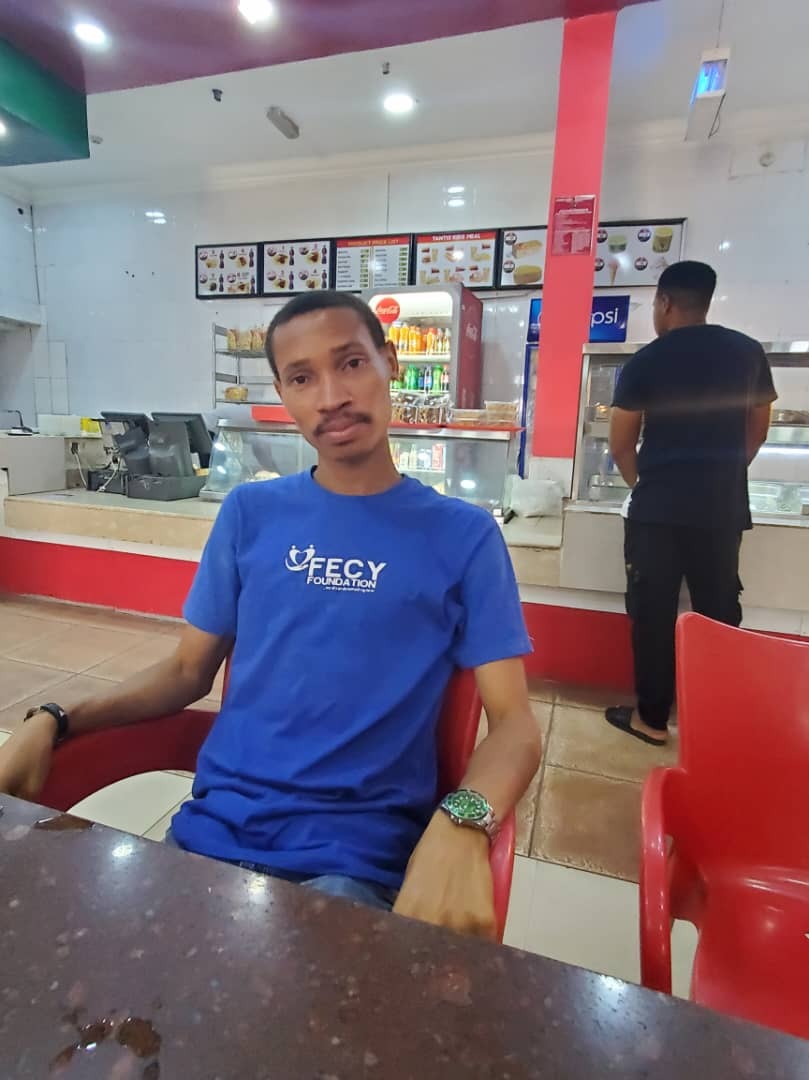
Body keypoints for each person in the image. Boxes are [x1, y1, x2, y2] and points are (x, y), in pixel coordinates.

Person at [0, 290, 541, 939]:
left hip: (351, 867)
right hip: (205, 841)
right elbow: (185, 672)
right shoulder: (250, 514)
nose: (331, 396)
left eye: (350, 363)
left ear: (390, 364)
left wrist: (462, 823)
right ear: (283, 396)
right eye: (302, 378)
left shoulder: (463, 536)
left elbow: (514, 725)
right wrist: (55, 717)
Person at [606, 261, 776, 746]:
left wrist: (645, 484)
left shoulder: (647, 360)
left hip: (657, 511)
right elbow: (759, 428)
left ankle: (652, 721)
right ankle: (713, 724)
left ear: (664, 303)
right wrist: (724, 472)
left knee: (653, 615)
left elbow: (621, 443)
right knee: (718, 614)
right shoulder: (748, 352)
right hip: (721, 509)